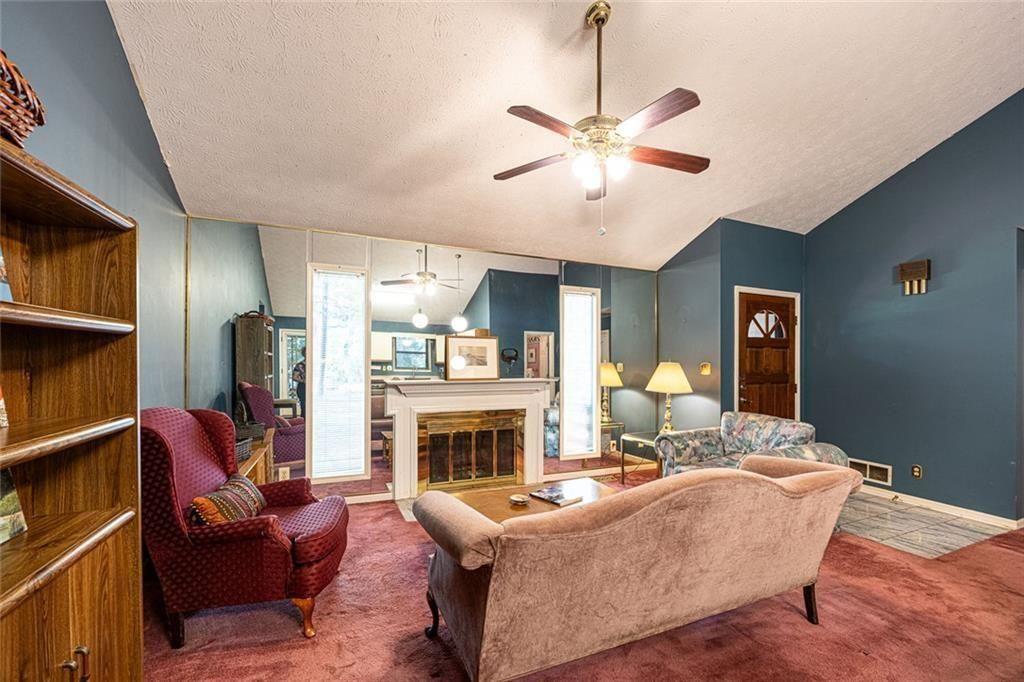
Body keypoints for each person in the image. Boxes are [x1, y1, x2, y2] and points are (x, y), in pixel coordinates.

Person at [291, 346, 306, 418]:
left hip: (313, 388)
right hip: (302, 387)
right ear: (304, 353)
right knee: (304, 406)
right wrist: (303, 381)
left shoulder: (314, 364)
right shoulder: (299, 365)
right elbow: (294, 377)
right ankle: (304, 425)